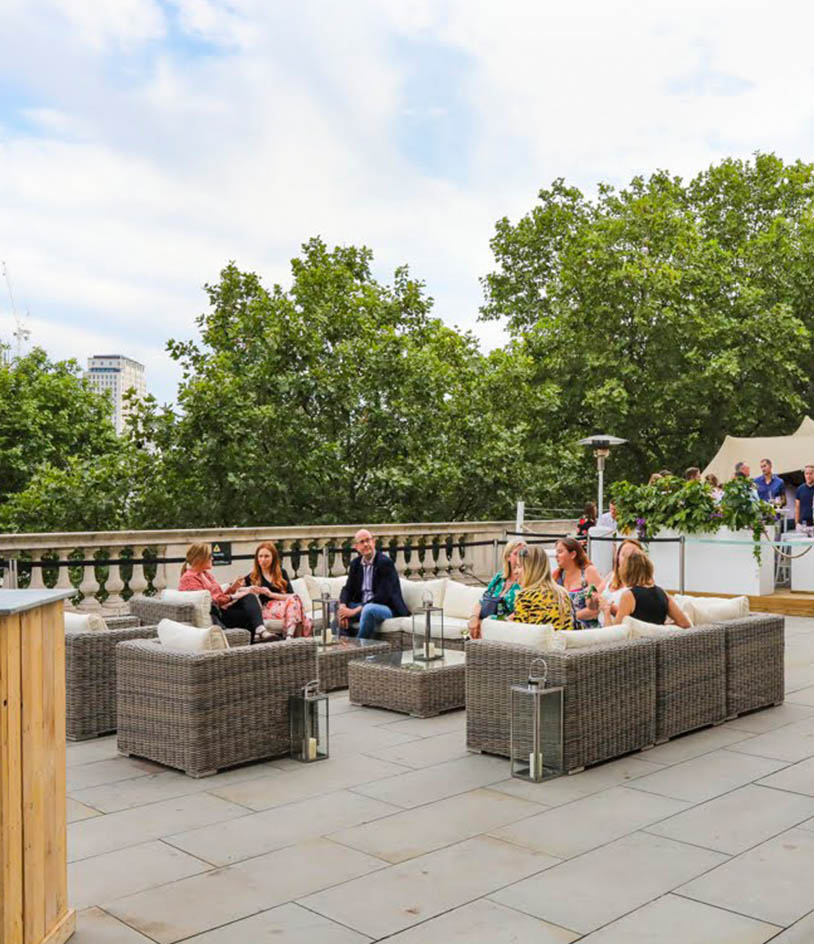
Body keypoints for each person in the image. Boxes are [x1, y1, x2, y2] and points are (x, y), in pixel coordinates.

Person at [178, 543, 266, 642]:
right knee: (248, 611)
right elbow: (209, 602)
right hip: (215, 616)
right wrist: (234, 596)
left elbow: (219, 596)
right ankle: (257, 637)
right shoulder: (188, 578)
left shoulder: (206, 575)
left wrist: (233, 588)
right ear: (200, 558)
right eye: (209, 556)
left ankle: (260, 631)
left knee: (249, 599)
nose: (212, 559)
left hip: (222, 612)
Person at [338, 529, 409, 638]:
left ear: (374, 542)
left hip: (385, 608)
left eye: (368, 540)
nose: (366, 544)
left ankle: (360, 647)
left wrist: (353, 612)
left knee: (368, 609)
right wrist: (343, 607)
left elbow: (383, 596)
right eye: (362, 542)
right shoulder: (355, 564)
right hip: (362, 605)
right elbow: (347, 589)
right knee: (336, 608)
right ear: (356, 547)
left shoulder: (385, 563)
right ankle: (343, 644)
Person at [241, 542, 312, 641]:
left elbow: (291, 596)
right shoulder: (252, 577)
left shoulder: (282, 573)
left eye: (266, 556)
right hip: (267, 610)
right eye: (260, 556)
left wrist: (271, 594)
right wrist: (250, 590)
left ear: (273, 558)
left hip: (286, 607)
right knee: (298, 609)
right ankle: (291, 636)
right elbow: (239, 592)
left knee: (294, 599)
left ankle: (289, 636)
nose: (263, 560)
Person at [611, 548, 691, 627]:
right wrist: (661, 628)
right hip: (661, 639)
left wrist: (607, 613)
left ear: (626, 572)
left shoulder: (629, 596)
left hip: (637, 639)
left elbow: (616, 630)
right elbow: (685, 624)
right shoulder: (662, 593)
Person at [467, 539, 526, 638]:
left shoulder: (525, 580)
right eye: (516, 554)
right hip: (488, 622)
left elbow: (522, 611)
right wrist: (474, 618)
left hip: (505, 626)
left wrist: (492, 624)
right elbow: (482, 601)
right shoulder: (499, 577)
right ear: (508, 557)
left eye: (522, 554)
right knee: (471, 628)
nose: (520, 557)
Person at [509, 546, 574, 631]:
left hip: (535, 643)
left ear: (531, 569)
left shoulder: (525, 596)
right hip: (561, 643)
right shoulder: (563, 593)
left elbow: (518, 633)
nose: (515, 571)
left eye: (519, 566)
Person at [553, 537, 603, 628]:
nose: (556, 555)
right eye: (556, 552)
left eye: (560, 552)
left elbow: (598, 608)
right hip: (564, 628)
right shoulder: (556, 576)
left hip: (587, 630)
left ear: (573, 554)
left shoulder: (589, 572)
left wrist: (569, 617)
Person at [597, 538, 642, 624]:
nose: (628, 558)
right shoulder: (611, 576)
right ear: (618, 557)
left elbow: (634, 618)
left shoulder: (640, 584)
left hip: (619, 629)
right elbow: (594, 604)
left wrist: (609, 608)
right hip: (601, 625)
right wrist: (591, 598)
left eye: (633, 555)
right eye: (624, 554)